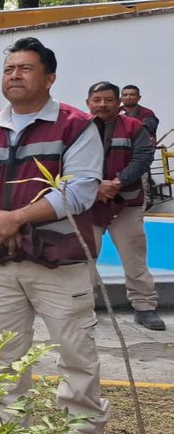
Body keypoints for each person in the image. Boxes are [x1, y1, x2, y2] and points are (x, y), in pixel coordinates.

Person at [0, 36, 109, 434]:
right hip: (0, 262)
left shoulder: (75, 126)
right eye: (9, 69)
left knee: (75, 350)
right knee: (3, 351)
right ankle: (9, 429)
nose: (14, 75)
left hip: (60, 263)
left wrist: (16, 217)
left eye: (25, 68)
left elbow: (79, 190)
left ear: (49, 77)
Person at [86, 81, 164, 331]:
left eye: (109, 99)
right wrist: (95, 186)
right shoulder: (77, 129)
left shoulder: (134, 126)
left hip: (126, 202)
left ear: (119, 102)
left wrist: (118, 182)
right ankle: (83, 310)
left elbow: (143, 157)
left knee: (135, 258)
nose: (102, 105)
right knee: (82, 259)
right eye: (97, 100)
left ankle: (145, 308)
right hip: (89, 204)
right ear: (87, 103)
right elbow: (67, 162)